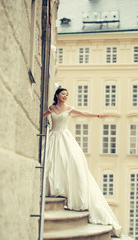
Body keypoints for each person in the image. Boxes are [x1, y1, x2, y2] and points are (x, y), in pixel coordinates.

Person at [43, 87, 122, 237]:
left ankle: (66, 190)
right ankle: (53, 186)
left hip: (65, 137)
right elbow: (42, 115)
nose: (65, 96)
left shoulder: (69, 108)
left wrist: (98, 115)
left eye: (67, 94)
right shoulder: (52, 108)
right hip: (54, 137)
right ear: (57, 95)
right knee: (52, 162)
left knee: (71, 162)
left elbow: (83, 113)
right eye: (63, 94)